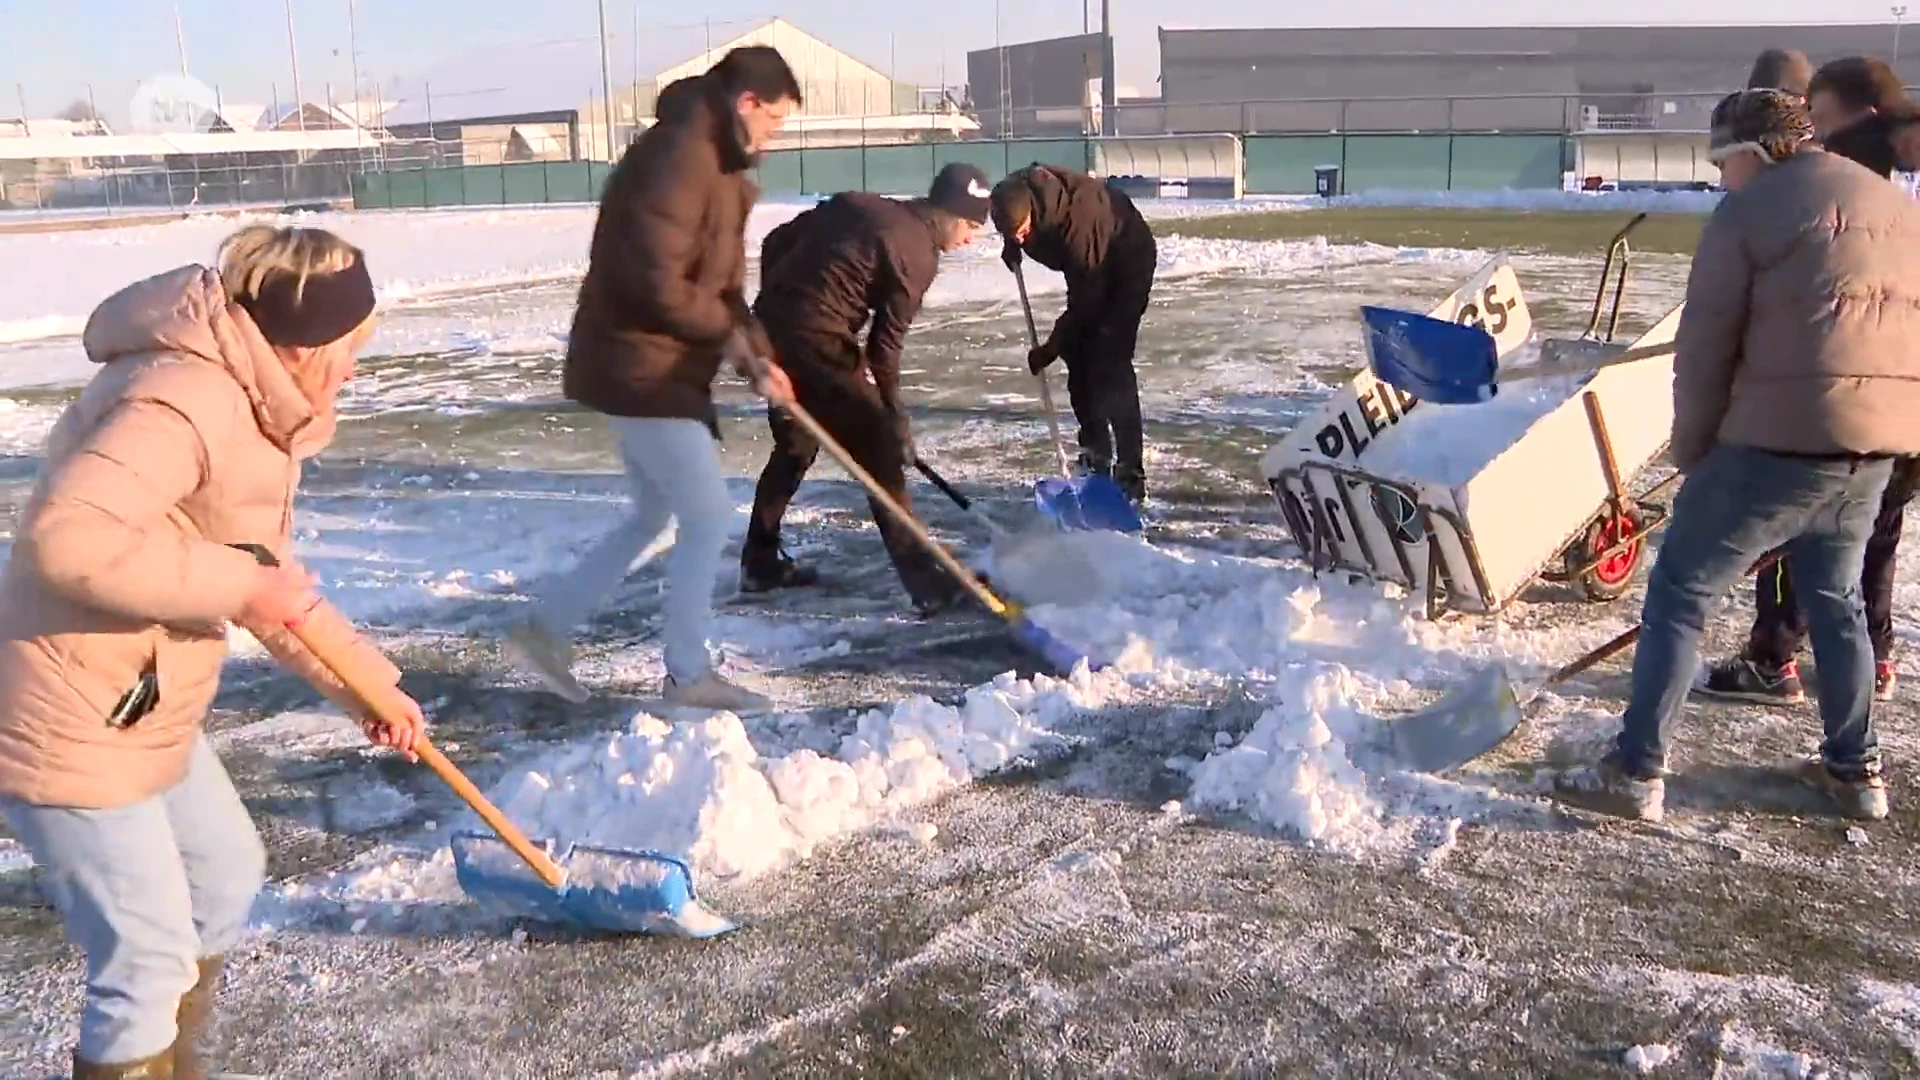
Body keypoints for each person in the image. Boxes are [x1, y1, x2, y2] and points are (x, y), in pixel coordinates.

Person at [0, 225, 428, 1078]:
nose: (353, 370)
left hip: (137, 696)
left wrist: (371, 690)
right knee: (147, 957)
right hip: (70, 716)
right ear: (304, 344)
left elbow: (267, 582)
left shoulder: (251, 405)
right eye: (349, 350)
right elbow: (65, 538)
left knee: (224, 875)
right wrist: (237, 586)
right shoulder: (182, 399)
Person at [1552, 89, 1920, 824]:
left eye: (1722, 163)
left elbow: (1706, 347)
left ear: (1751, 153)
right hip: (1871, 450)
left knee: (1682, 592)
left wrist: (1694, 451)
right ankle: (1855, 770)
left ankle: (1634, 771)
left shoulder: (1749, 213)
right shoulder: (1894, 207)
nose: (1720, 178)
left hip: (1776, 445)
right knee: (1837, 601)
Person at [505, 46, 801, 713]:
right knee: (706, 516)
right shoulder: (680, 159)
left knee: (653, 513)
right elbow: (652, 284)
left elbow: (721, 289)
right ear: (746, 103)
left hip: (650, 365)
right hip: (640, 365)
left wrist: (757, 353)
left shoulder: (716, 165)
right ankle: (687, 675)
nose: (776, 135)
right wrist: (730, 344)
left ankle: (544, 628)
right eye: (775, 120)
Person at [1696, 55, 1917, 706]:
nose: (1806, 129)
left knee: (1803, 527)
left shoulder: (1835, 180)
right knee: (1873, 529)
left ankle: (1773, 658)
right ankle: (1872, 657)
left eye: (1811, 115)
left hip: (1848, 390)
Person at [740, 163, 993, 613]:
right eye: (972, 226)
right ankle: (926, 582)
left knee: (797, 444)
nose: (971, 238)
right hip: (817, 339)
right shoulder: (919, 255)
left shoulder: (861, 204)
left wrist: (773, 315)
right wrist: (893, 419)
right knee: (878, 451)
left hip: (768, 332)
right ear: (953, 216)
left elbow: (775, 241)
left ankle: (760, 560)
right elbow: (884, 349)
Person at [989, 163, 1158, 505]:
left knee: (1110, 359)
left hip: (1126, 263)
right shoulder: (1015, 197)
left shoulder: (1077, 224)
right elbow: (1017, 225)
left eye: (1022, 232)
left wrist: (1050, 348)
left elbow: (1085, 304)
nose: (1019, 238)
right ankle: (1096, 450)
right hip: (1090, 268)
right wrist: (1013, 244)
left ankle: (1130, 469)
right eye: (1012, 233)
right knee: (1079, 357)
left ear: (1033, 214)